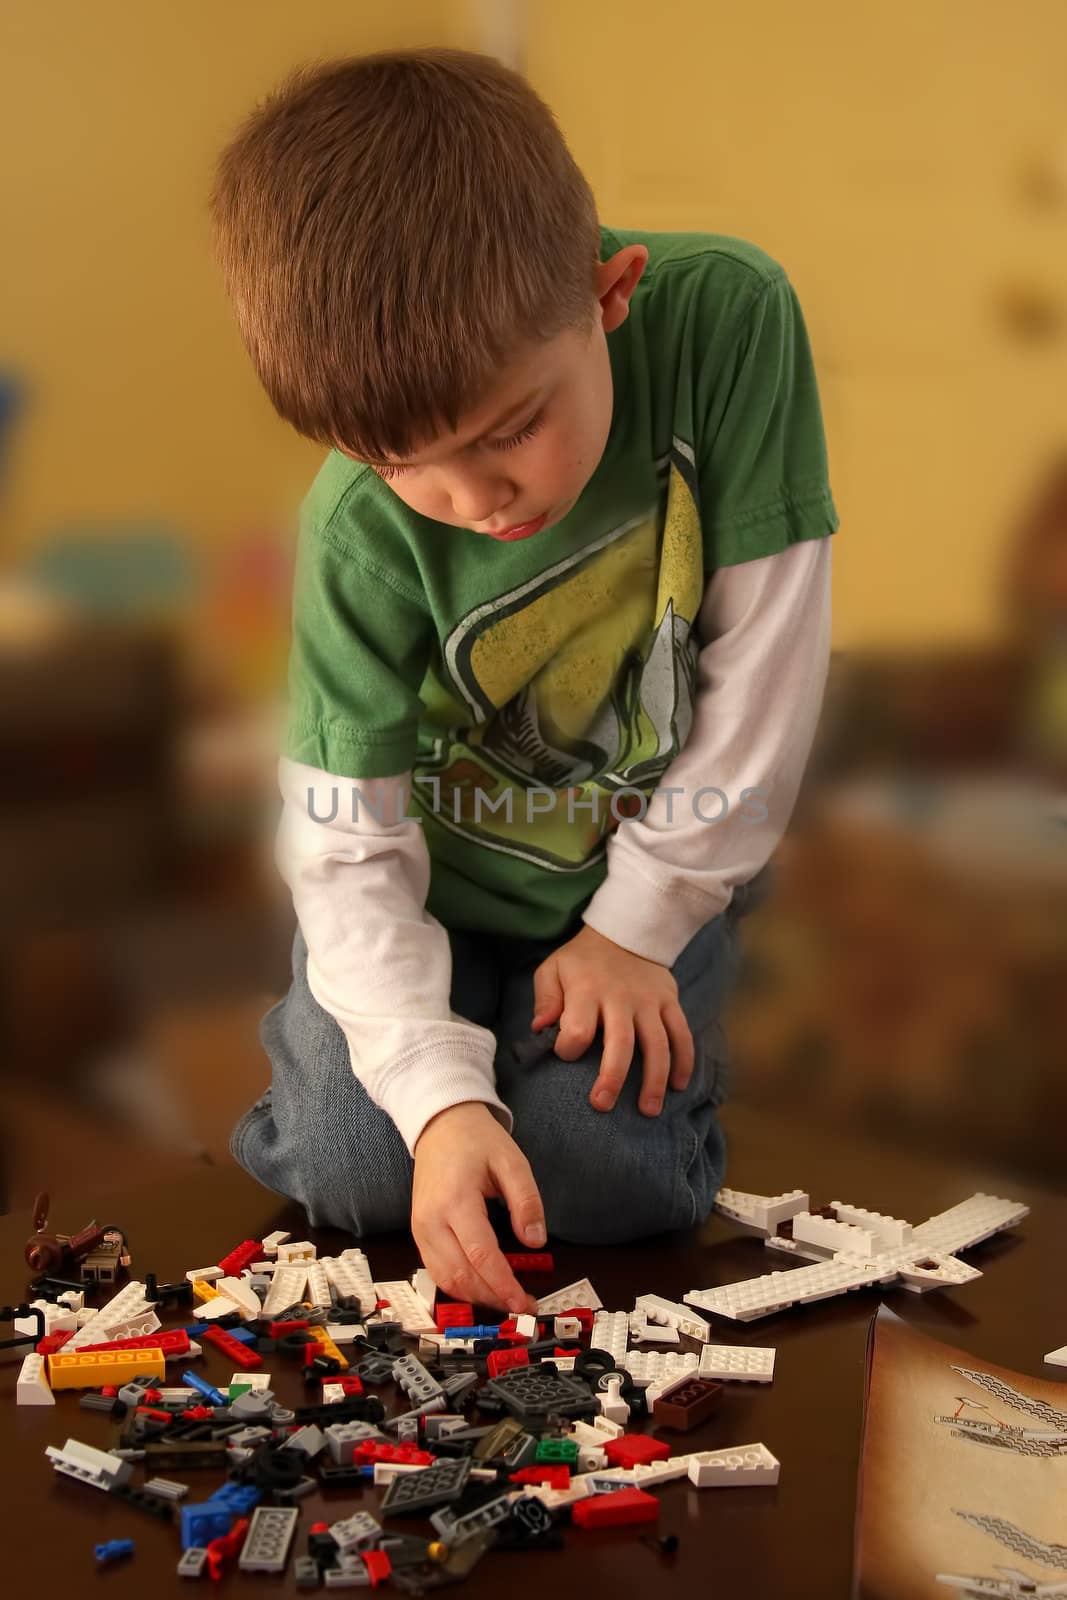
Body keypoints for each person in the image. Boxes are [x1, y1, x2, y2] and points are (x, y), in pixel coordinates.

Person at [210, 48, 839, 1315]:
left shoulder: (731, 322)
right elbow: (345, 846)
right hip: (426, 885)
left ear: (609, 295)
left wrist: (636, 925)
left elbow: (763, 674)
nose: (470, 499)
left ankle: (522, 1039)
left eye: (506, 431)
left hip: (642, 861)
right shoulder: (352, 533)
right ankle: (437, 1049)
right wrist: (434, 1088)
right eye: (406, 466)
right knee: (356, 1162)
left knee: (601, 1176)